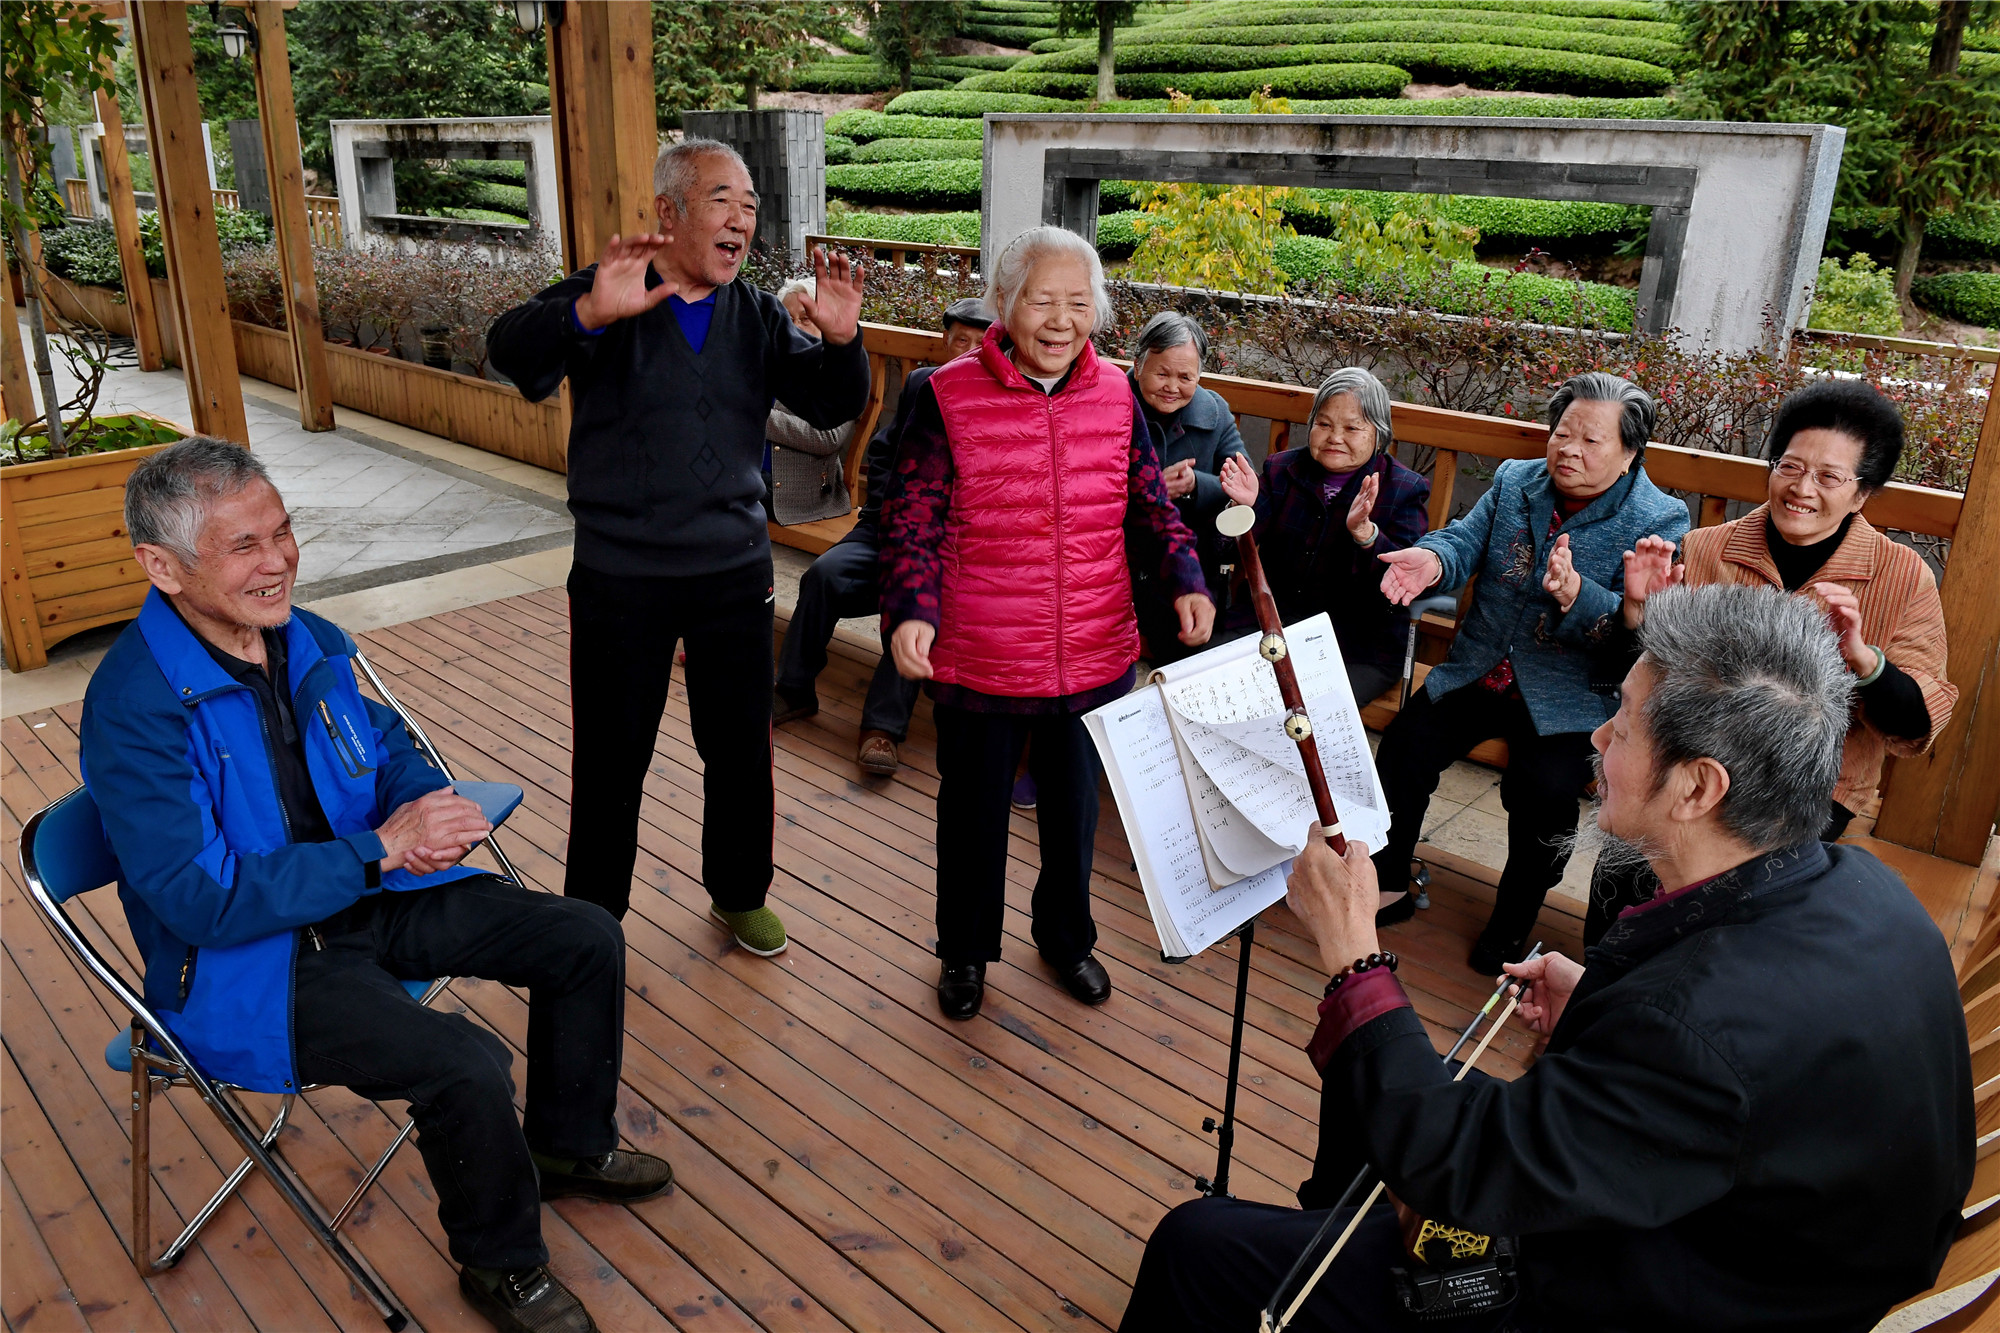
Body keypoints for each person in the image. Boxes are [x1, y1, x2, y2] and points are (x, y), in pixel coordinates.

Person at [1121, 582, 1972, 1333]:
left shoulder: (1688, 1031)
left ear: (1698, 787)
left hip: (1643, 1289)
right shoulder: (1864, 888)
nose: (1597, 736)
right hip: (1725, 1232)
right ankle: (1335, 1235)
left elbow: (1465, 1163)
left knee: (1197, 1245)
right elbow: (1735, 1074)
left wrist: (1351, 951)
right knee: (1379, 1106)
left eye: (1623, 724)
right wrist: (1605, 999)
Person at [81, 440, 672, 1333]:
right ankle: (501, 1266)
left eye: (283, 532)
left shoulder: (305, 638)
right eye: (244, 546)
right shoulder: (136, 705)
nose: (278, 561)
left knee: (583, 935)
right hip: (256, 963)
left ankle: (567, 1146)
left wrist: (419, 809)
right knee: (464, 1062)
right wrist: (380, 849)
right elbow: (201, 899)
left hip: (365, 897)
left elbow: (385, 746)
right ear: (161, 566)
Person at [487, 139, 868, 957]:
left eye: (750, 207)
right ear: (669, 212)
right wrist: (584, 314)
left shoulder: (757, 314)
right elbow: (508, 349)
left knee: (740, 748)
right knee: (611, 753)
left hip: (734, 570)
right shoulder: (613, 291)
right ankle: (593, 917)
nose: (742, 220)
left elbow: (828, 401)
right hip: (620, 574)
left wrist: (843, 342)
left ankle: (739, 891)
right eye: (723, 200)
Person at [879, 226, 1215, 1020]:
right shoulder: (945, 393)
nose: (1061, 320)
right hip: (982, 648)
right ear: (1004, 303)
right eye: (1042, 301)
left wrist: (1186, 579)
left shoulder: (1117, 395)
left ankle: (1067, 939)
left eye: (1078, 302)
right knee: (972, 815)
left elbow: (1149, 506)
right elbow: (912, 514)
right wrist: (912, 608)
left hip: (1091, 646)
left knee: (1074, 814)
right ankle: (964, 950)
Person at [1584, 378, 1957, 942]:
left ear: (1861, 493)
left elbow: (1917, 721)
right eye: (1790, 467)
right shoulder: (1709, 547)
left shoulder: (1902, 577)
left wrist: (1864, 661)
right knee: (1627, 864)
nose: (1802, 489)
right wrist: (1639, 614)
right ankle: (1602, 969)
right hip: (1686, 763)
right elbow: (1638, 679)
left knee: (1728, 914)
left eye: (1829, 477)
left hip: (1807, 789)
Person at [1371, 372, 1689, 966]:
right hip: (1480, 668)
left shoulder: (1659, 519)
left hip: (1571, 693)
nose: (1569, 449)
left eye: (1591, 440)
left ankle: (1514, 918)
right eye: (1563, 433)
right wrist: (1434, 561)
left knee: (1544, 795)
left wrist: (1579, 597)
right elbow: (1464, 540)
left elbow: (1643, 641)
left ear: (1629, 453)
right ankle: (1388, 879)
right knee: (1405, 749)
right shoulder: (1517, 480)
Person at [774, 297, 993, 776]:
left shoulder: (1002, 403)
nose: (969, 350)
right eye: (960, 340)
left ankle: (882, 728)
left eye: (981, 342)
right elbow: (882, 452)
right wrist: (889, 519)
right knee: (824, 575)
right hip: (886, 527)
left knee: (918, 601)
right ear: (945, 343)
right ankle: (792, 689)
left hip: (953, 549)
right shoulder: (923, 385)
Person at [1216, 365, 1431, 707]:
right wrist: (1244, 509)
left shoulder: (1403, 488)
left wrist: (1365, 534)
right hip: (1269, 627)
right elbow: (1227, 552)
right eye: (1324, 424)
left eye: (1352, 428)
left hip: (1354, 646)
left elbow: (1404, 580)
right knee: (1205, 687)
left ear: (1379, 435)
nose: (1334, 437)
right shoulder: (1281, 469)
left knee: (1302, 713)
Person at [1125, 311, 1246, 664]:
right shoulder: (1112, 404)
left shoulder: (1214, 412)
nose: (1172, 386)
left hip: (1190, 569)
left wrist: (1195, 485)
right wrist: (1147, 489)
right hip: (1120, 561)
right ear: (1138, 364)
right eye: (1162, 374)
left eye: (1185, 377)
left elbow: (1241, 481)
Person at [764, 276, 856, 526]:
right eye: (787, 318)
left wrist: (757, 414)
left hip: (797, 495)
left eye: (806, 319)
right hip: (745, 478)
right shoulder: (768, 359)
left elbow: (827, 437)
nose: (794, 327)